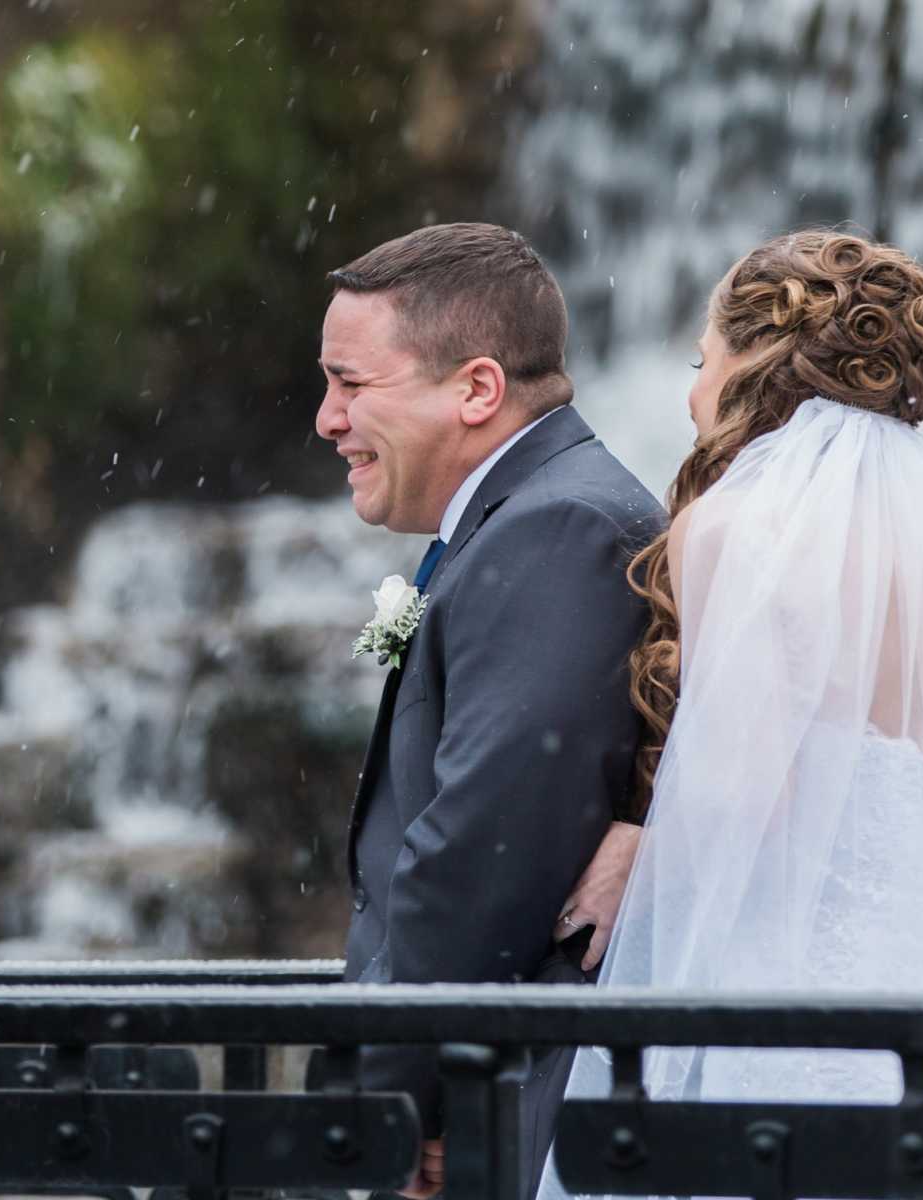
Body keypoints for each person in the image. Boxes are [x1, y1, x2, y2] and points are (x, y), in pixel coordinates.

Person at [538, 229, 923, 1198]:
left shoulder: (734, 527)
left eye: (701, 359)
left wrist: (637, 839)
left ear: (754, 361)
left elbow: (737, 810)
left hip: (793, 1040)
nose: (691, 392)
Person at [314, 222, 664, 1200]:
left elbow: (482, 852)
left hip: (509, 1107)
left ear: (475, 390)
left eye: (350, 383)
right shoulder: (534, 517)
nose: (326, 419)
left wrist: (381, 1109)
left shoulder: (558, 529)